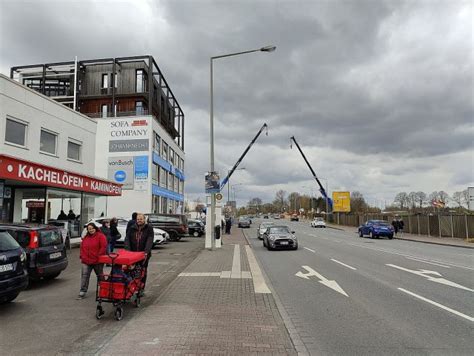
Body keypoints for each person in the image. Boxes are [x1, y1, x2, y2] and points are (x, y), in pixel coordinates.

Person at [124, 213, 154, 296]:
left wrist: (146, 252)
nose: (139, 221)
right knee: (131, 270)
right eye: (138, 219)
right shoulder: (132, 228)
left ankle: (141, 288)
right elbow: (127, 239)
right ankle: (132, 286)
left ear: (144, 219)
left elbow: (149, 240)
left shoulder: (149, 228)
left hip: (143, 254)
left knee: (142, 271)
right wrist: (128, 251)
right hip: (133, 254)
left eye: (141, 219)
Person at [78, 222, 107, 299]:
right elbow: (82, 247)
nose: (91, 230)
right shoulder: (86, 237)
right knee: (84, 276)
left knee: (100, 275)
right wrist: (82, 256)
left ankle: (105, 290)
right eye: (89, 229)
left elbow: (103, 247)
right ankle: (82, 291)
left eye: (92, 228)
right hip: (86, 261)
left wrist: (98, 256)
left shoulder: (101, 236)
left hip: (97, 260)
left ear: (95, 228)